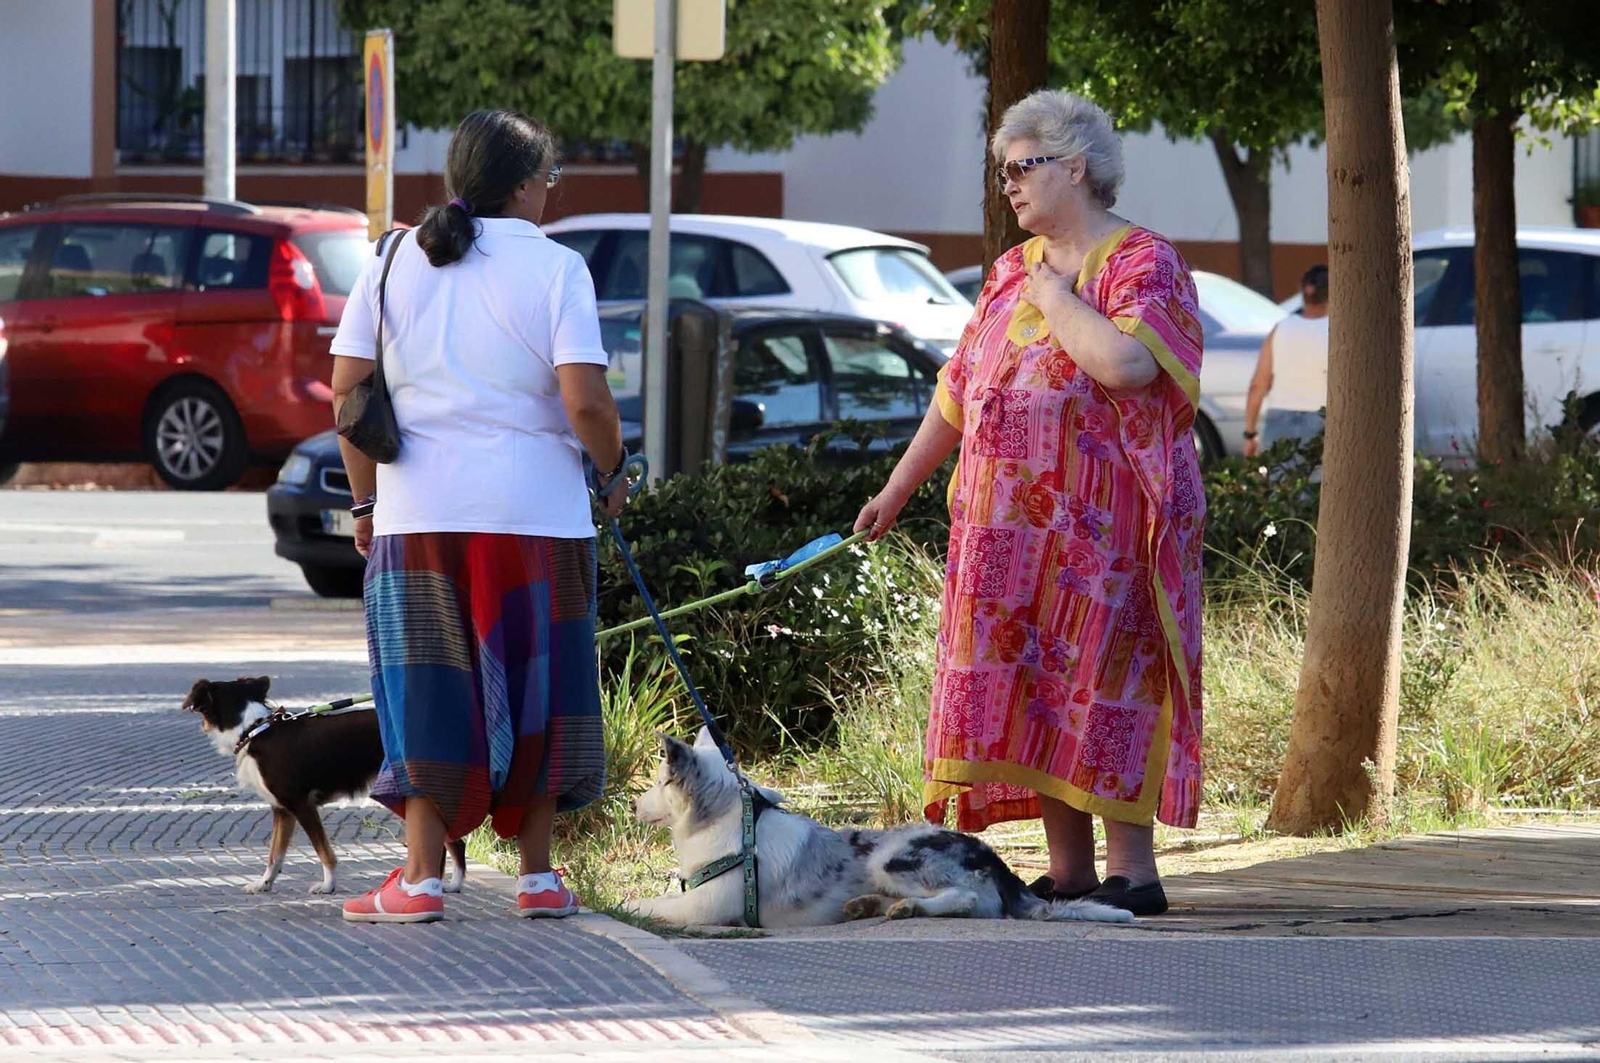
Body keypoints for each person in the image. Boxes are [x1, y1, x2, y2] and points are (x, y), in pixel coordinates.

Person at [854, 89, 1206, 917]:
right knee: (1038, 686)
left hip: (1106, 532)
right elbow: (957, 389)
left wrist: (1057, 298)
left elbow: (1127, 365)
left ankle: (1134, 870)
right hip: (1007, 538)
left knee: (1107, 683)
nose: (1007, 185)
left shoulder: (1141, 261)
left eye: (1021, 167)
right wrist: (896, 489)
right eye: (1002, 171)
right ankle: (1070, 868)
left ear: (1074, 167)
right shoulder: (1011, 269)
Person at [329, 109, 628, 924]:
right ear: (528, 184)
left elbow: (348, 391)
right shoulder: (559, 268)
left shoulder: (391, 260)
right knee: (542, 690)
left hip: (417, 516)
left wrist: (366, 500)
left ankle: (419, 879)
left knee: (425, 690)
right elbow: (586, 401)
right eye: (550, 178)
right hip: (539, 519)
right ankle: (537, 876)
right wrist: (613, 472)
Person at [1243, 265, 1330, 458]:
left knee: (1280, 477)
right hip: (1322, 419)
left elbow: (1258, 385)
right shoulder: (1335, 332)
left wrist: (1250, 434)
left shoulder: (1280, 329)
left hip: (1279, 420)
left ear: (1302, 292)